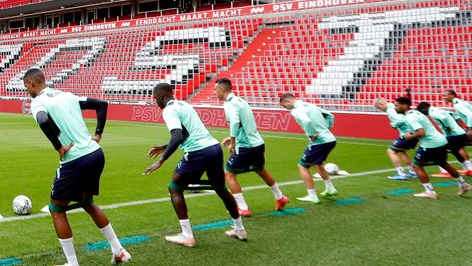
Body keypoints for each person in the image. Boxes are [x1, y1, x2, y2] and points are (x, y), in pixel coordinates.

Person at [22, 68, 128, 266]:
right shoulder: (67, 96)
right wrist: (97, 134)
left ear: (32, 84)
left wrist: (59, 147)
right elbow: (101, 105)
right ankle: (118, 250)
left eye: (27, 87)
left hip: (76, 159)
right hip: (96, 153)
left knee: (57, 209)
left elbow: (43, 121)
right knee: (87, 202)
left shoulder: (38, 102)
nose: (27, 91)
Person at [144, 82, 247, 246]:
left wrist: (161, 161)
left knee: (175, 188)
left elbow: (177, 136)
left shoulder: (169, 110)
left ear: (160, 96)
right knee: (220, 187)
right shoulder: (184, 105)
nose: (155, 101)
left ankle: (187, 235)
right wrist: (164, 147)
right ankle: (240, 229)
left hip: (198, 152)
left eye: (155, 98)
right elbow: (186, 133)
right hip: (213, 148)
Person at [214, 78, 288, 216]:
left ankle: (242, 207)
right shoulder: (241, 101)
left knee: (229, 174)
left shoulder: (229, 104)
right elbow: (245, 123)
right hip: (258, 143)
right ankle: (280, 197)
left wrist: (234, 142)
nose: (214, 92)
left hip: (246, 147)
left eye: (215, 89)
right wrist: (231, 137)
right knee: (260, 170)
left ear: (223, 90)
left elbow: (235, 122)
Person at [392, 97, 472, 199]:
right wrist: (411, 132)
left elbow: (421, 132)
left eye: (396, 105)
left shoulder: (410, 117)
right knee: (443, 163)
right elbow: (423, 127)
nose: (395, 107)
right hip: (441, 141)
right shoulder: (416, 113)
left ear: (404, 105)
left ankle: (430, 192)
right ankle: (463, 184)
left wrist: (410, 136)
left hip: (430, 144)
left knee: (417, 166)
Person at [278, 94, 338, 203]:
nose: (285, 108)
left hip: (319, 142)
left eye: (284, 106)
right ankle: (330, 188)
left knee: (302, 166)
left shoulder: (296, 111)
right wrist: (326, 130)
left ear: (287, 102)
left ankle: (312, 196)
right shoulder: (310, 105)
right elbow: (330, 115)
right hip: (330, 140)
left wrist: (311, 135)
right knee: (317, 163)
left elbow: (306, 121)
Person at [417, 102, 472, 176]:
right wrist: (458, 126)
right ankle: (470, 170)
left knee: (438, 151)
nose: (423, 114)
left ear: (424, 108)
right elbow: (455, 115)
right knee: (456, 151)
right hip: (460, 132)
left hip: (453, 135)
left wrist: (447, 127)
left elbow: (443, 118)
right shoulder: (439, 110)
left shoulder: (432, 112)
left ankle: (444, 172)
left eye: (421, 111)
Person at [373, 97, 418, 181]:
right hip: (411, 132)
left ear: (381, 104)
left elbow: (402, 119)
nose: (380, 110)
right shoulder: (393, 107)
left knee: (391, 151)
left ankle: (401, 174)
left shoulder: (391, 110)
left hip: (407, 134)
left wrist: (394, 124)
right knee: (401, 152)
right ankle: (413, 172)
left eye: (379, 108)